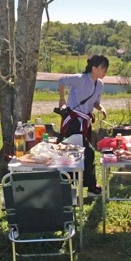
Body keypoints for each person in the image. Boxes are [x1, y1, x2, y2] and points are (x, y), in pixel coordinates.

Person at [57, 54, 109, 196]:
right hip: (74, 122)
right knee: (87, 152)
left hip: (85, 123)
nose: (105, 71)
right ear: (94, 68)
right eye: (103, 68)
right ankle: (89, 187)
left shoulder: (100, 84)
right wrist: (62, 99)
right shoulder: (80, 79)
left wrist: (101, 108)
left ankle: (80, 185)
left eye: (106, 68)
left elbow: (95, 102)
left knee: (79, 153)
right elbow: (61, 80)